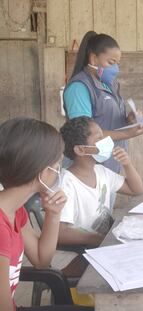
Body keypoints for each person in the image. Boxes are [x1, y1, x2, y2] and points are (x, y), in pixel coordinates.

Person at [64, 31, 143, 174]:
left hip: (109, 165)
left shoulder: (109, 85)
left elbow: (108, 121)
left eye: (117, 64)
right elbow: (82, 135)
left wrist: (128, 120)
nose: (115, 69)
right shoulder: (79, 88)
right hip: (88, 168)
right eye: (111, 62)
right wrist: (128, 134)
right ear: (93, 59)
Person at [0, 118, 68, 311]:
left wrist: (53, 214)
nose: (58, 171)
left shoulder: (15, 209)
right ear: (43, 172)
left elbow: (41, 260)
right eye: (58, 164)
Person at [58, 117, 143, 248]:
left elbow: (136, 189)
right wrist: (102, 240)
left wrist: (127, 164)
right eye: (99, 139)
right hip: (88, 249)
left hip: (106, 241)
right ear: (81, 150)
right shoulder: (66, 184)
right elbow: (60, 233)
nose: (106, 141)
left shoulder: (101, 171)